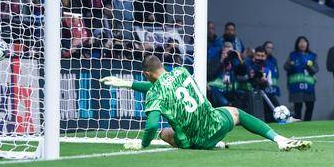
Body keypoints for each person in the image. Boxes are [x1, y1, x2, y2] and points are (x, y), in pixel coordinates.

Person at [100, 55, 310, 151]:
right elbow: (161, 85)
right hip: (215, 126)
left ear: (146, 74)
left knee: (163, 133)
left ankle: (206, 145)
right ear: (162, 66)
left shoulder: (155, 94)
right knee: (236, 112)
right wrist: (128, 84)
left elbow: (152, 124)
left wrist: (142, 144)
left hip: (193, 141)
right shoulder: (181, 72)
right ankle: (279, 139)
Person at [284, 36, 318, 121]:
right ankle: (298, 123)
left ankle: (307, 123)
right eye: (300, 42)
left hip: (309, 86)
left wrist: (309, 66)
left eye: (304, 42)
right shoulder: (292, 55)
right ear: (297, 44)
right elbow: (285, 67)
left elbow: (315, 69)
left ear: (307, 44)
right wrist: (291, 64)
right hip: (296, 85)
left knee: (310, 106)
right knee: (298, 107)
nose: (302, 44)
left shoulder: (312, 55)